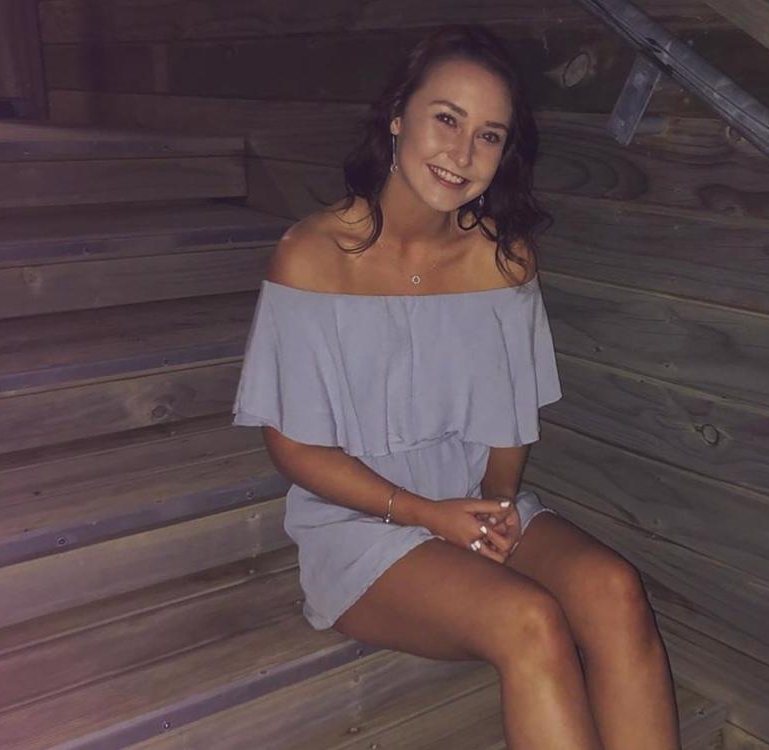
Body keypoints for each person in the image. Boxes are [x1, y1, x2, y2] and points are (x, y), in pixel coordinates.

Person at [232, 24, 681, 750]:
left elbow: (510, 422)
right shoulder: (312, 255)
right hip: (362, 524)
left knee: (614, 591)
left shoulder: (501, 259)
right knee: (530, 621)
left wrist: (494, 510)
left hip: (471, 502)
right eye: (447, 118)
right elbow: (293, 446)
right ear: (397, 115)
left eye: (489, 135)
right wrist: (425, 515)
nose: (463, 153)